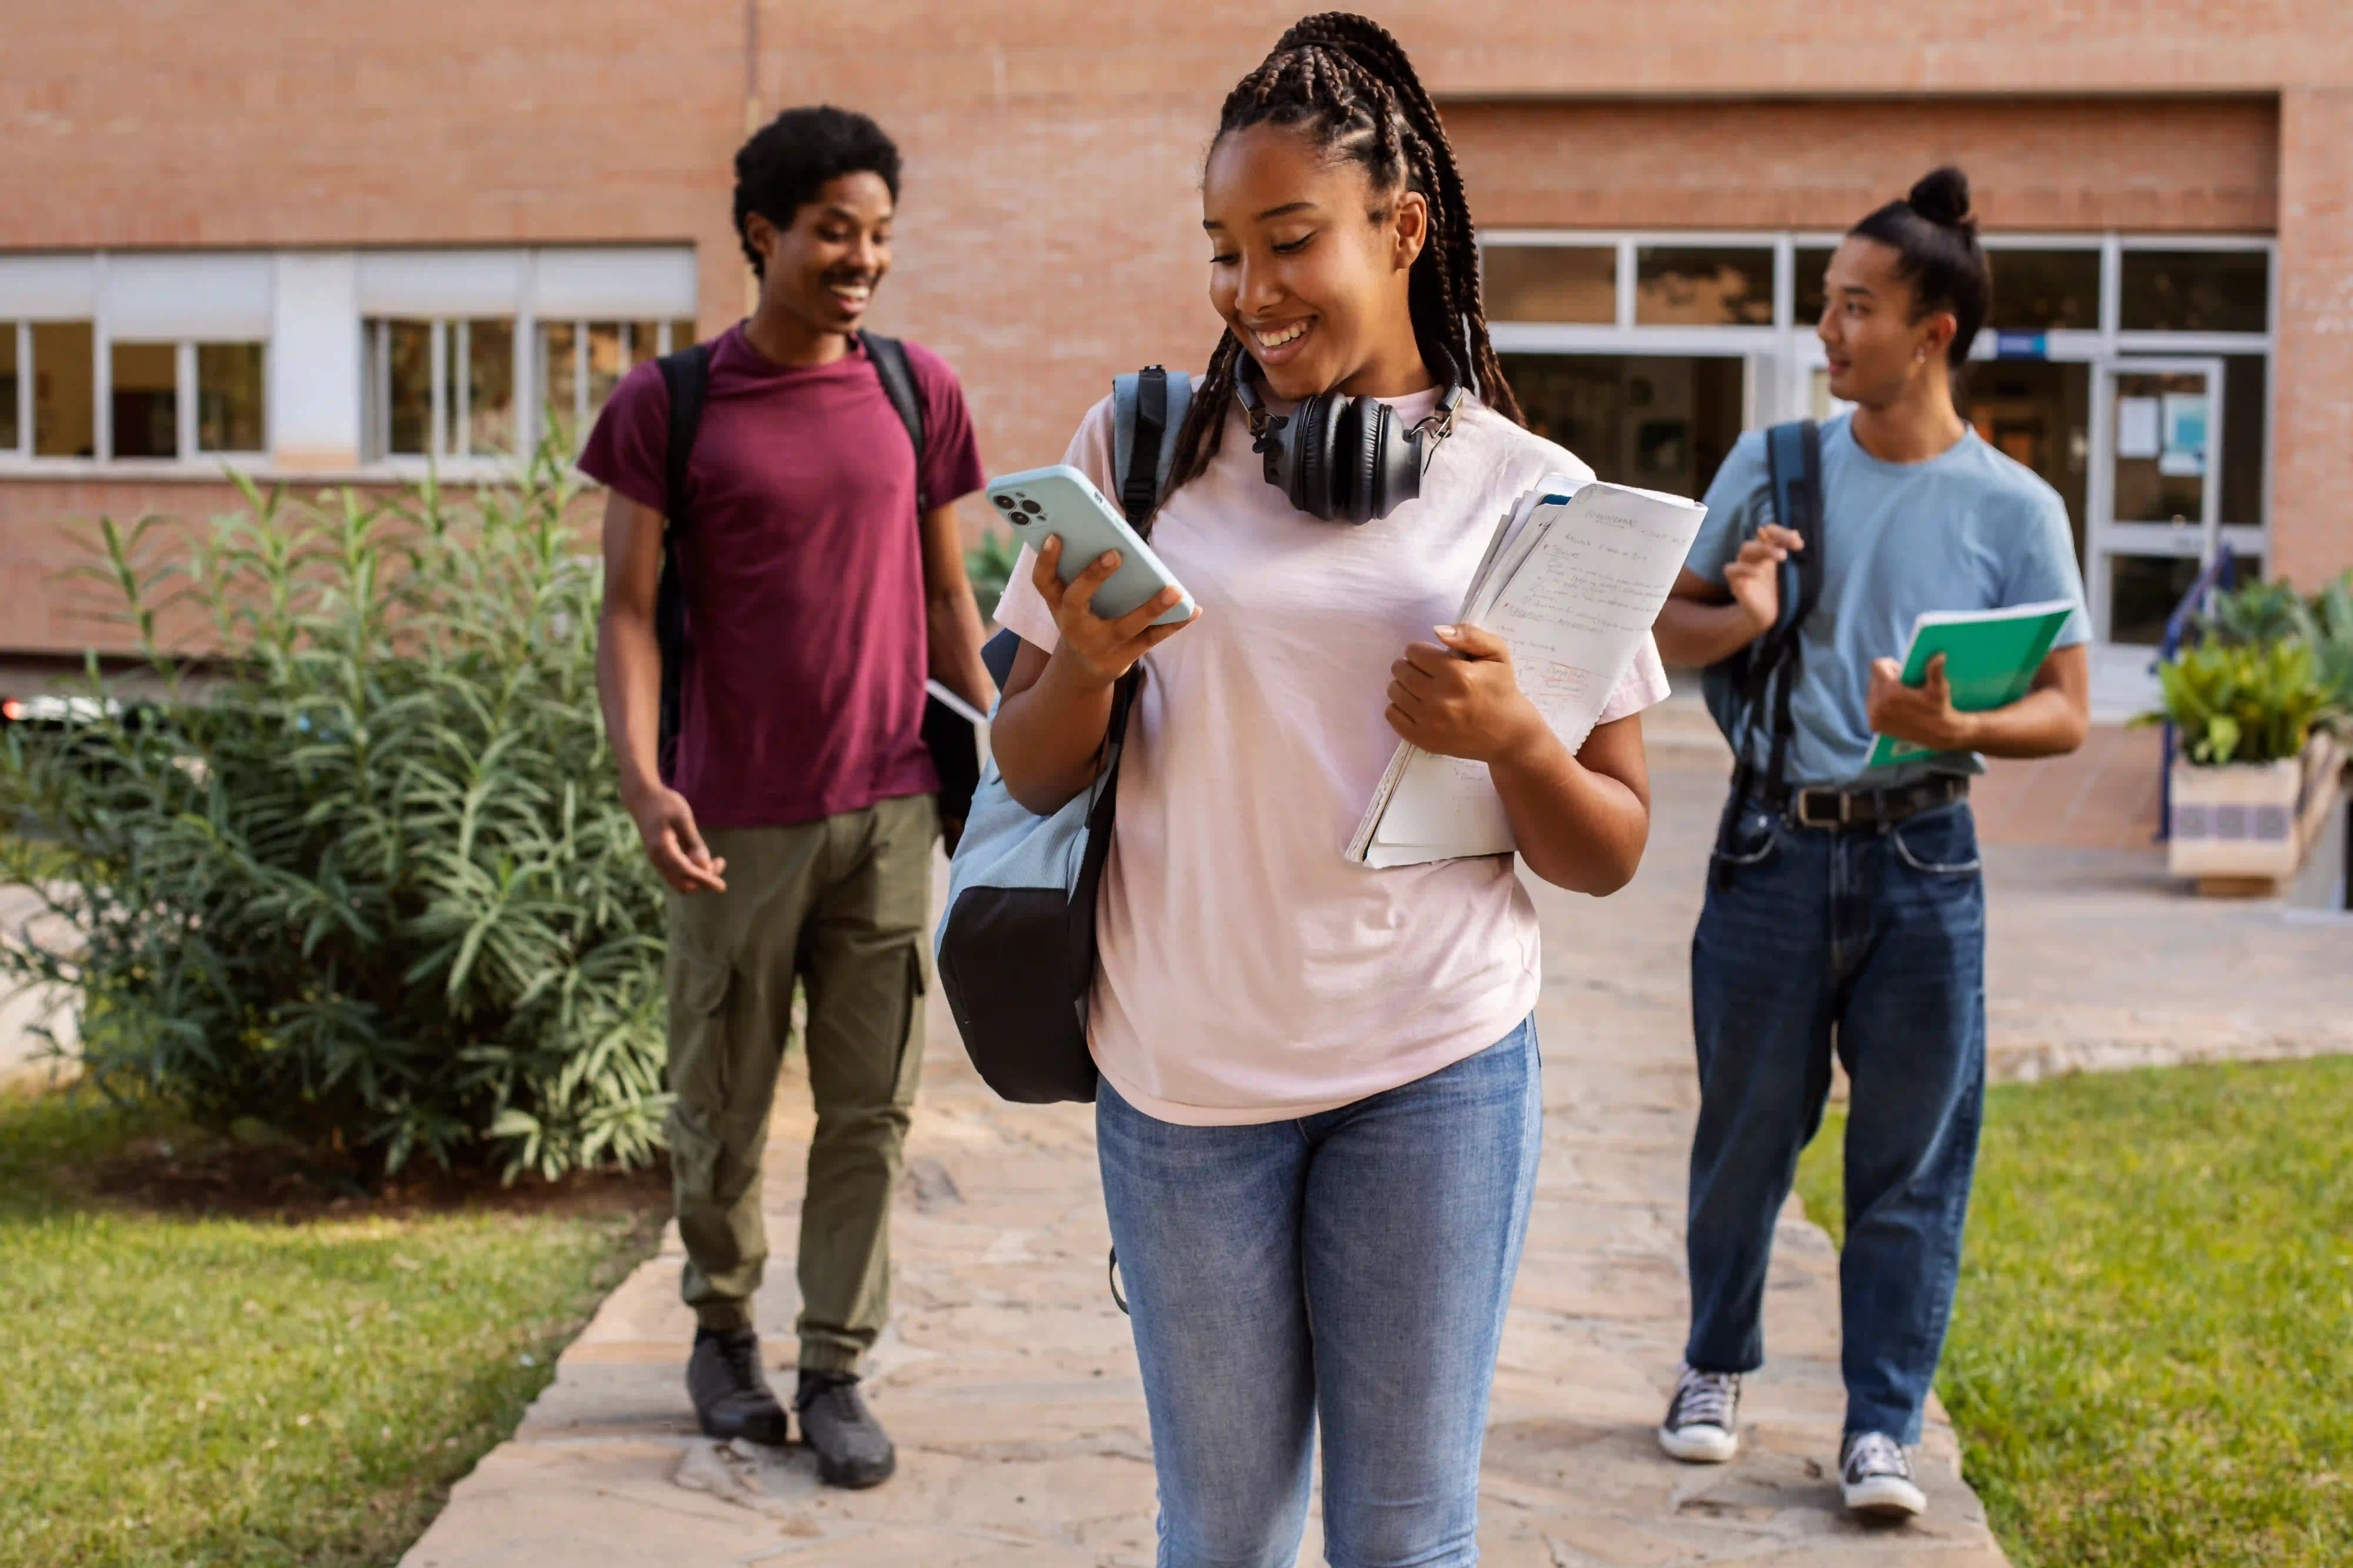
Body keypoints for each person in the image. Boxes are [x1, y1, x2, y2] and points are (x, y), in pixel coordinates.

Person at [986, 15, 1667, 1564]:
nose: (1247, 291)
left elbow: (1610, 844)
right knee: (1217, 1531)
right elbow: (1022, 765)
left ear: (1400, 225)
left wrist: (1510, 739)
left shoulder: (1534, 492)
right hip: (1181, 1085)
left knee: (1403, 1536)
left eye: (1288, 241)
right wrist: (1085, 664)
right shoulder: (1139, 447)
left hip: (1432, 1069)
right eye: (1221, 250)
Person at [1650, 167, 2091, 1521]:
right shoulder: (1771, 466)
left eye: (1855, 309)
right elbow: (1658, 633)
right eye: (1826, 307)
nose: (1828, 333)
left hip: (1924, 863)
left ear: (1932, 333)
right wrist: (1746, 613)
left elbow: (2067, 712)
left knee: (1909, 1157)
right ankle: (1713, 1364)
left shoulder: (2015, 512)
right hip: (1774, 848)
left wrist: (1945, 720)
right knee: (1742, 1137)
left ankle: (1881, 1425)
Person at [587, 105, 995, 1489]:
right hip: (732, 816)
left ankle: (833, 1365)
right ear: (762, 232)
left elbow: (950, 594)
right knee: (723, 1092)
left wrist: (998, 772)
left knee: (870, 1105)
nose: (861, 258)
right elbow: (629, 613)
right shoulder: (670, 403)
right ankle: (720, 1331)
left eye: (878, 234)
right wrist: (646, 782)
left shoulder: (912, 389)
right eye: (834, 231)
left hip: (885, 808)